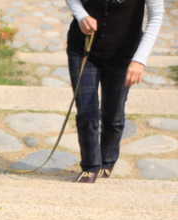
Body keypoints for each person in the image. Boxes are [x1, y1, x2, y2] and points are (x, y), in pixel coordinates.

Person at [66, 0, 164, 183]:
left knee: (113, 114)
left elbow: (156, 16)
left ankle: (107, 162)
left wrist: (139, 60)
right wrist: (81, 16)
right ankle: (90, 167)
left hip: (124, 55)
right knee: (87, 113)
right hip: (83, 49)